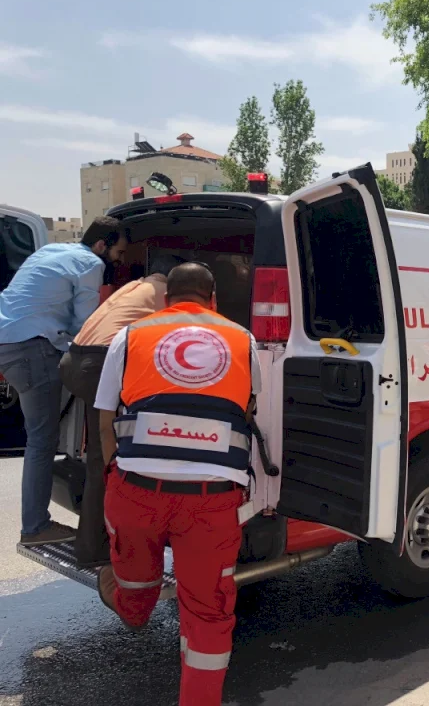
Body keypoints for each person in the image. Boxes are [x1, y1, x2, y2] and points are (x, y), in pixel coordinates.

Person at [94, 262, 260, 706]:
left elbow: (105, 419)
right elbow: (248, 412)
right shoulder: (243, 339)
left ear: (165, 301)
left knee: (134, 579)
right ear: (214, 300)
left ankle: (133, 611)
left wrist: (114, 473)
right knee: (208, 614)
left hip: (136, 490)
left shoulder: (131, 336)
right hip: (212, 501)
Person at [0, 217, 128, 546]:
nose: (118, 261)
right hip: (32, 348)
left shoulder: (50, 250)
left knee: (39, 438)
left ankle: (35, 523)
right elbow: (86, 326)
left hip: (8, 341)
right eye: (117, 253)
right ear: (101, 245)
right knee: (41, 441)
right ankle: (35, 528)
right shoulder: (91, 264)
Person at [58, 253, 184, 568]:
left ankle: (96, 544)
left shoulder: (134, 287)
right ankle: (100, 548)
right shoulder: (164, 295)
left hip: (74, 361)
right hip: (98, 363)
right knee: (112, 458)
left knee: (102, 456)